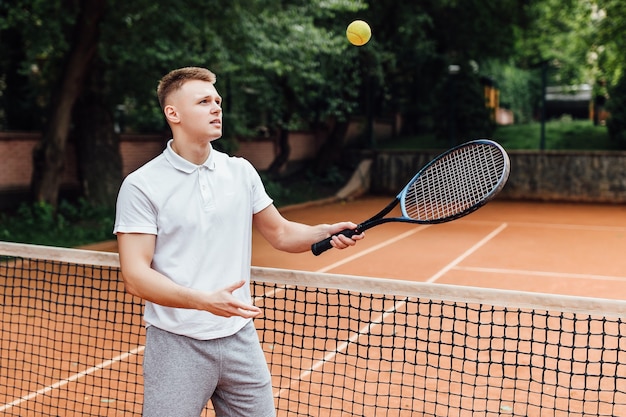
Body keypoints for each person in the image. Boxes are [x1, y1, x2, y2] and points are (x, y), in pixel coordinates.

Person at [113, 66, 364, 417]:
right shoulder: (142, 185)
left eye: (217, 100)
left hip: (240, 339)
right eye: (203, 101)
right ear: (173, 113)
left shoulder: (240, 171)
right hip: (177, 344)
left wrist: (324, 231)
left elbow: (280, 233)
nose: (216, 108)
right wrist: (202, 301)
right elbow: (136, 275)